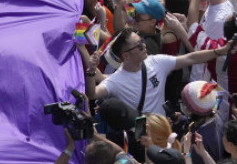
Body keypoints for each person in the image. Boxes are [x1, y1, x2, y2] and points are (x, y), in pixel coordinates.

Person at [88, 28, 228, 115]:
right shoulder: (116, 80)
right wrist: (90, 72)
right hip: (140, 139)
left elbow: (190, 58)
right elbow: (92, 94)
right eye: (138, 46)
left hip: (163, 131)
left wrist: (219, 51)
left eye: (142, 41)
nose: (144, 46)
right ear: (126, 56)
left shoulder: (156, 62)